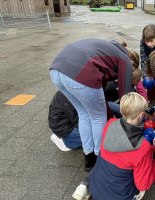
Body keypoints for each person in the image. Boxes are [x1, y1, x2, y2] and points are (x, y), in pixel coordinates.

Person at [72, 92, 155, 200]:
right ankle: (132, 199)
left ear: (121, 111)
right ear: (142, 115)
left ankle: (84, 185)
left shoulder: (110, 124)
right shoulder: (143, 148)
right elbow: (144, 185)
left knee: (108, 161)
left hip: (95, 188)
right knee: (141, 179)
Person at [50, 38, 133, 171]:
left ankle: (88, 158)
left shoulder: (104, 49)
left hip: (56, 70)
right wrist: (130, 123)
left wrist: (111, 115)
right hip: (79, 73)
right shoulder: (124, 58)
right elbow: (127, 96)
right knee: (98, 117)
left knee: (84, 114)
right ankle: (100, 157)